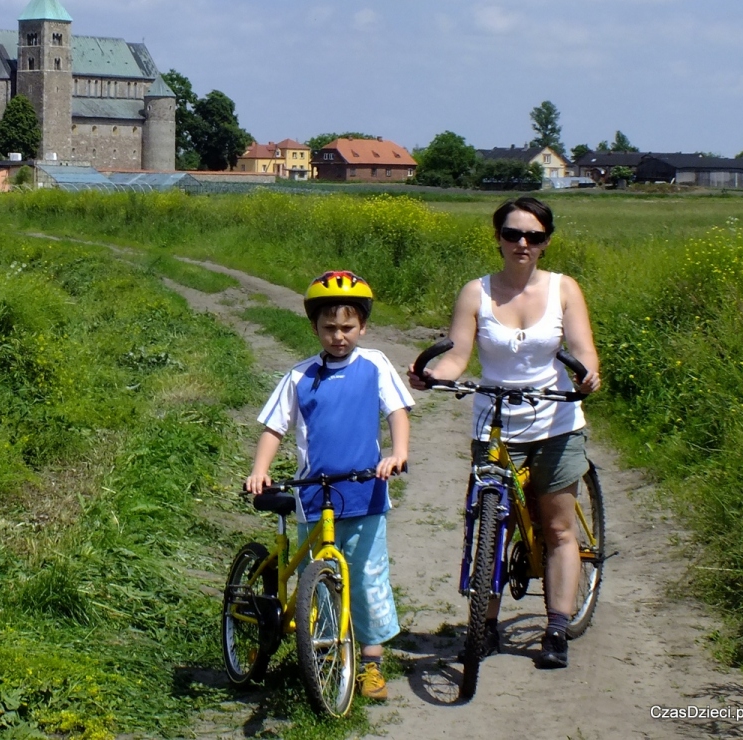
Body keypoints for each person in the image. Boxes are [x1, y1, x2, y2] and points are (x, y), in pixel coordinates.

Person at [410, 196, 600, 669]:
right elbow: (458, 355)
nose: (522, 243)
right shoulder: (476, 292)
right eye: (513, 234)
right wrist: (436, 373)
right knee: (492, 527)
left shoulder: (564, 290)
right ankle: (485, 626)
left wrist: (588, 376)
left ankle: (556, 626)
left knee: (557, 527)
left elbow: (583, 351)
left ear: (545, 243)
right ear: (497, 238)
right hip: (495, 423)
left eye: (533, 236)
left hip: (555, 421)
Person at [246, 270, 413, 700]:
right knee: (314, 580)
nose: (339, 336)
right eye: (329, 328)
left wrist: (397, 452)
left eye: (348, 327)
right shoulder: (300, 376)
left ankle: (371, 663)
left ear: (363, 326)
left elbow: (396, 412)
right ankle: (323, 653)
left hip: (366, 494)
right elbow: (273, 428)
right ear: (315, 327)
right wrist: (260, 468)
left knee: (366, 578)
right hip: (312, 496)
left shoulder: (375, 364)